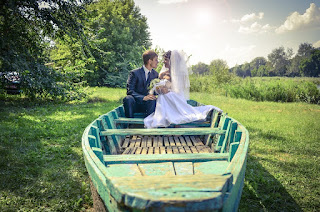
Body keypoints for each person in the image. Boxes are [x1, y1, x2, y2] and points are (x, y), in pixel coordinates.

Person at [144, 50, 222, 128]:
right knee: (162, 96)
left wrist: (167, 88)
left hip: (177, 96)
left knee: (165, 96)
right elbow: (158, 87)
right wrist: (160, 89)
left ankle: (170, 120)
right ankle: (166, 119)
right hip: (167, 96)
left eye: (166, 60)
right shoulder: (162, 74)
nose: (163, 62)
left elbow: (178, 89)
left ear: (172, 61)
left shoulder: (181, 74)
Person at [123, 50, 159, 118]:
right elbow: (130, 91)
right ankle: (129, 125)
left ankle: (148, 125)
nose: (158, 62)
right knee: (128, 98)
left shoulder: (155, 74)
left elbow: (155, 91)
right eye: (156, 60)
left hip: (148, 105)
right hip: (136, 103)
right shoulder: (134, 73)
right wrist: (143, 98)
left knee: (152, 100)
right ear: (150, 61)